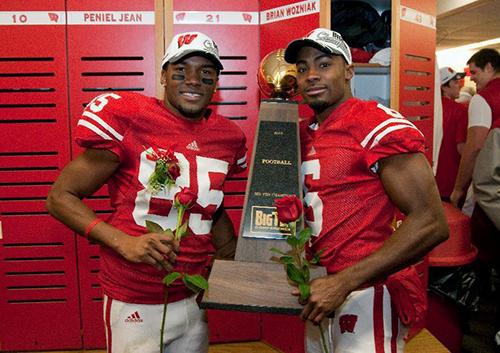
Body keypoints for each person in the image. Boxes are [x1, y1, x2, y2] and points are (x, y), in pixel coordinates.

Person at [46, 32, 247, 353]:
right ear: (164, 76)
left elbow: (213, 203)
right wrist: (124, 242)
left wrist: (230, 255)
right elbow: (60, 197)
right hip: (134, 294)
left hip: (193, 291)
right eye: (181, 71)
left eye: (206, 73)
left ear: (216, 82)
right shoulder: (133, 120)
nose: (193, 80)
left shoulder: (229, 136)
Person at [284, 28, 448, 352]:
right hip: (319, 289)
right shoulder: (301, 132)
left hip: (366, 290)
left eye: (323, 64)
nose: (311, 75)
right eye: (302, 68)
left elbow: (431, 221)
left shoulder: (373, 122)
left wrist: (344, 282)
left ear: (348, 70)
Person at [435, 67, 468, 200]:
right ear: (444, 87)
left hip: (432, 180)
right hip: (453, 181)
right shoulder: (460, 110)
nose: (458, 85)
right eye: (454, 82)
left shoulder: (428, 109)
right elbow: (462, 148)